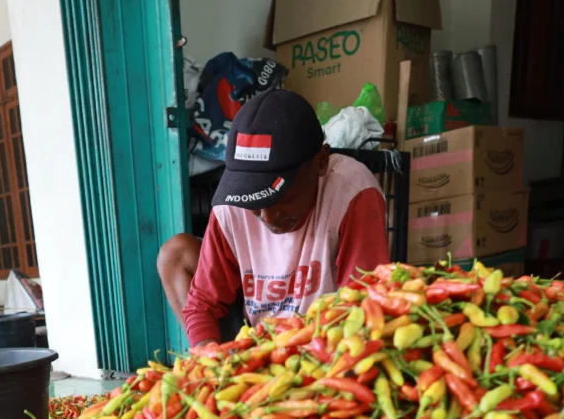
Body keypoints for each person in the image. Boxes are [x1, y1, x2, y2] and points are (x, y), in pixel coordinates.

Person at [157, 89, 390, 347]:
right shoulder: (232, 203)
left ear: (320, 162)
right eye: (255, 205)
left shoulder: (353, 190)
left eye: (280, 199)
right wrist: (208, 359)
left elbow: (362, 302)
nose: (267, 217)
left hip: (324, 338)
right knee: (175, 253)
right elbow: (203, 303)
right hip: (255, 337)